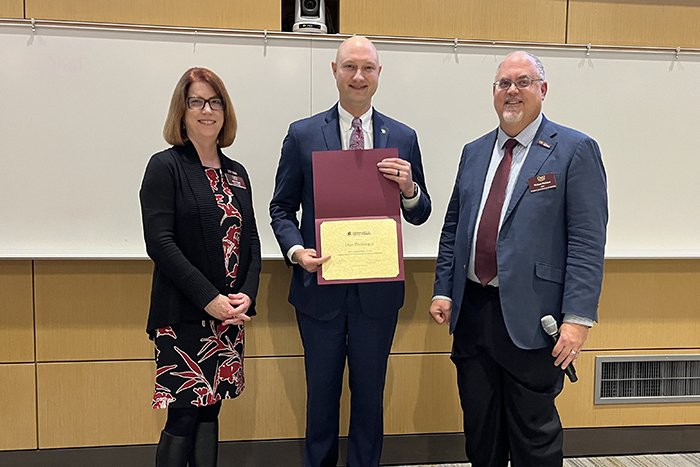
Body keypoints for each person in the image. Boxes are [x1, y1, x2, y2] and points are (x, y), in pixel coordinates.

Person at [430, 51, 607, 467]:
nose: (512, 91)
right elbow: (454, 228)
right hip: (473, 314)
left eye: (523, 81)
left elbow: (586, 241)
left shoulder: (575, 150)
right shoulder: (474, 152)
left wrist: (578, 319)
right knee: (481, 433)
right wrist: (443, 288)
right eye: (503, 83)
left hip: (536, 318)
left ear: (542, 90)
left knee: (534, 437)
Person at [269, 36, 431, 467]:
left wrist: (410, 189)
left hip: (376, 295)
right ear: (334, 71)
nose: (358, 77)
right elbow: (281, 208)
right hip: (318, 291)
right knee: (320, 398)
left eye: (368, 68)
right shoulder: (303, 134)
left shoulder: (402, 136)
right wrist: (296, 251)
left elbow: (420, 212)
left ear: (379, 74)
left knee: (369, 400)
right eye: (349, 68)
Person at [140, 67, 261, 467]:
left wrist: (248, 294)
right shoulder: (165, 166)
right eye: (197, 101)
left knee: (212, 410)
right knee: (185, 413)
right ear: (183, 110)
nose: (207, 110)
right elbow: (160, 242)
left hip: (228, 318)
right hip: (184, 316)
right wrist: (208, 298)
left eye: (215, 101)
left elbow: (251, 242)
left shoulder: (237, 173)